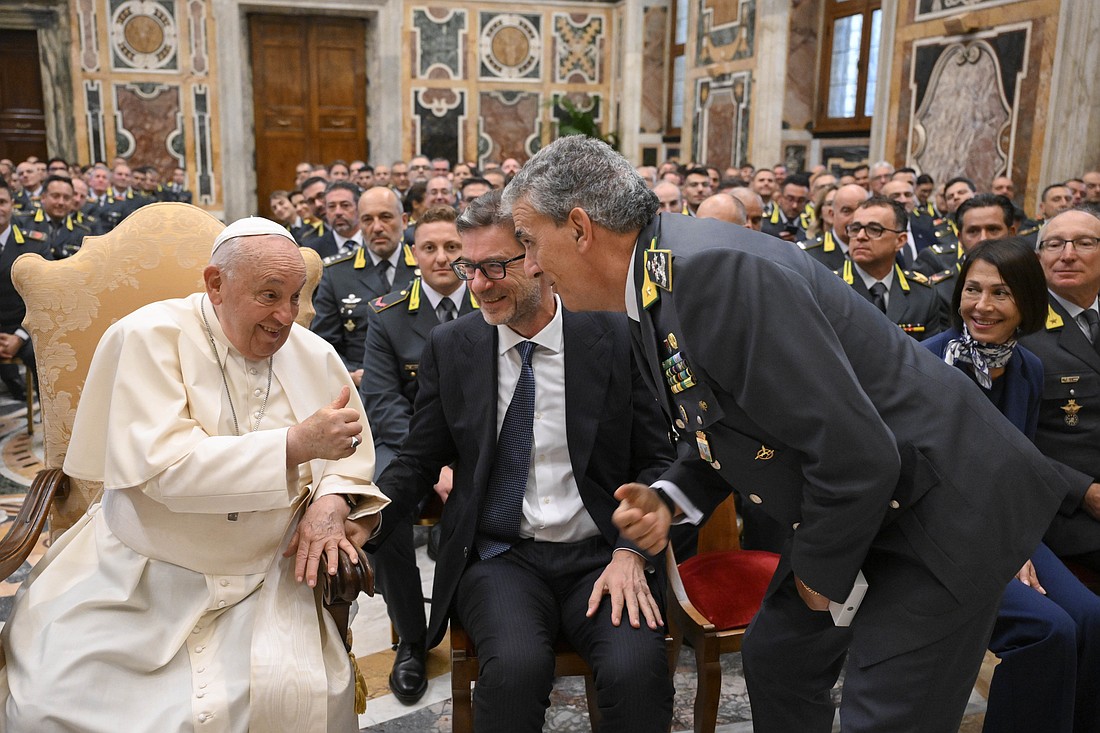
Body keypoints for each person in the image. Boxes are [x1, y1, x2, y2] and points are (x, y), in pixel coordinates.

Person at [502, 135, 1070, 733]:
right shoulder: (658, 278)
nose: (532, 266)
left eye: (530, 241)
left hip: (945, 507)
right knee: (778, 654)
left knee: (886, 712)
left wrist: (819, 580)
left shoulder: (710, 274)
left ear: (580, 228)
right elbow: (720, 426)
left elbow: (858, 454)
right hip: (863, 496)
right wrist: (669, 500)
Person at [0, 216, 388, 732]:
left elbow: (349, 457)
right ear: (215, 284)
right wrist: (294, 445)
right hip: (139, 579)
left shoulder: (313, 354)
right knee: (50, 705)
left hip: (266, 581)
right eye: (269, 295)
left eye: (294, 297)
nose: (285, 317)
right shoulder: (145, 337)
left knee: (298, 701)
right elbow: (165, 471)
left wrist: (332, 503)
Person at [366, 189, 675, 733]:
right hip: (502, 557)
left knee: (636, 670)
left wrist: (632, 549)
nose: (477, 286)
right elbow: (417, 458)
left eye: (493, 267)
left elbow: (657, 458)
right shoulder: (453, 345)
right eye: (468, 268)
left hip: (601, 553)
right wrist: (359, 516)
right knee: (513, 671)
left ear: (538, 259)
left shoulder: (612, 336)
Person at [922, 237, 1100, 733]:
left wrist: (1017, 540)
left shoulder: (1028, 367)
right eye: (972, 290)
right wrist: (1004, 543)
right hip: (941, 533)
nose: (982, 306)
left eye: (1000, 293)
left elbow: (1018, 469)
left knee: (1091, 618)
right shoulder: (925, 363)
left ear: (1026, 302)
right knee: (1048, 630)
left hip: (1010, 529)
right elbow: (926, 481)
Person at [359, 205, 479, 703]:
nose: (442, 257)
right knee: (381, 513)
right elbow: (383, 402)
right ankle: (413, 638)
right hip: (406, 443)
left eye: (452, 247)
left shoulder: (490, 303)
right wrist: (432, 464)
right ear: (414, 253)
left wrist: (456, 463)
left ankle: (480, 626)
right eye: (430, 247)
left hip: (477, 442)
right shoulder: (388, 316)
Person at [1020, 207, 1100, 573]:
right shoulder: (1021, 330)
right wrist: (1083, 491)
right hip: (1067, 510)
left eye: (1084, 243)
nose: (1068, 254)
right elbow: (1008, 438)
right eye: (1054, 244)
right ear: (1039, 259)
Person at [310, 186, 417, 383]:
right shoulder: (336, 273)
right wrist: (348, 375)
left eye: (385, 217)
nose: (377, 227)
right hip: (361, 386)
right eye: (368, 220)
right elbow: (323, 343)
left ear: (403, 221)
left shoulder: (423, 267)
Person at [0, 179, 52, 401]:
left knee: (46, 357)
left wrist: (19, 338)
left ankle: (51, 426)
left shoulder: (34, 245)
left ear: (12, 204)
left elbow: (45, 297)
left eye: (2, 201)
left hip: (24, 328)